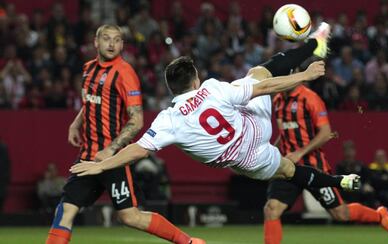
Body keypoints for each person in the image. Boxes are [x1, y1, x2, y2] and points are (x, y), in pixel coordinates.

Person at [72, 23, 361, 218]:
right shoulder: (212, 89)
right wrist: (305, 75)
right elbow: (265, 88)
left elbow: (135, 151)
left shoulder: (168, 119)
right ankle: (313, 45)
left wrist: (101, 164)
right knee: (259, 73)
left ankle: (340, 181)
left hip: (247, 162)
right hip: (256, 129)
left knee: (289, 170)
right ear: (196, 79)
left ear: (172, 89)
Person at [45, 24, 204, 244]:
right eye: (107, 39)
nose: (111, 44)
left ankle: (188, 242)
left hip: (114, 161)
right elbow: (91, 100)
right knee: (65, 211)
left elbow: (137, 120)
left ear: (122, 44)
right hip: (88, 157)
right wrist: (76, 122)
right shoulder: (88, 69)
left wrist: (110, 149)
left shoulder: (125, 73)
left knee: (130, 216)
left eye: (117, 40)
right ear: (96, 42)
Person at [263, 70, 388, 243]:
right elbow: (285, 134)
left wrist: (300, 152)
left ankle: (380, 216)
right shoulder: (277, 100)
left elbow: (326, 133)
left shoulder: (310, 98)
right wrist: (270, 153)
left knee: (341, 214)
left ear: (296, 75)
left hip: (313, 166)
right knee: (271, 209)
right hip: (288, 167)